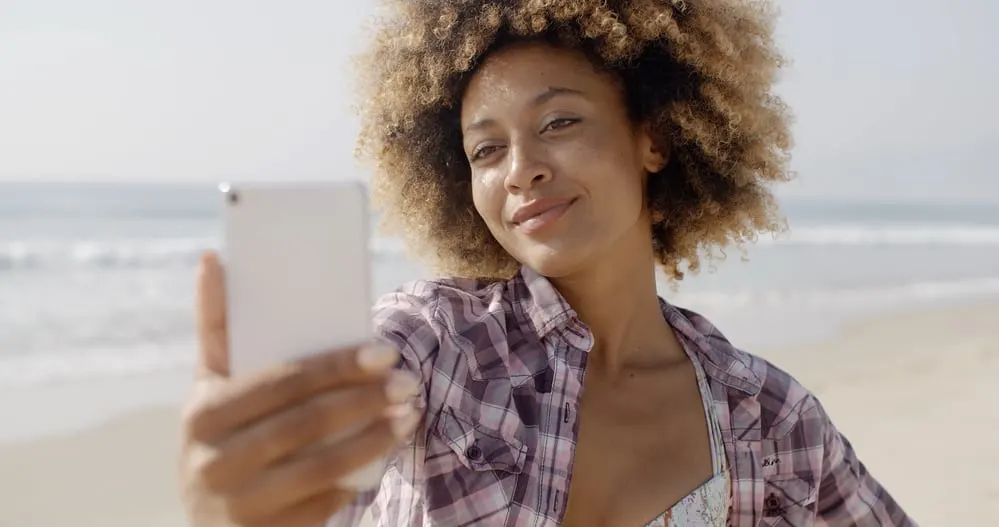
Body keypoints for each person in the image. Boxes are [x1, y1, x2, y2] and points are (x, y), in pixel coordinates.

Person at [178, 1, 915, 526]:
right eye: (486, 149)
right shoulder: (439, 342)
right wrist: (237, 489)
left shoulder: (765, 414)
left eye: (559, 122)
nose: (521, 170)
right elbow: (333, 428)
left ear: (652, 139)